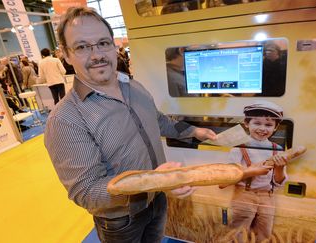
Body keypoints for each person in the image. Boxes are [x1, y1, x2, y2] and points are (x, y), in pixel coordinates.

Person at [44, 7, 217, 243]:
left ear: (114, 46)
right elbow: (86, 191)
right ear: (65, 54)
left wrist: (194, 131)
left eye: (103, 43)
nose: (96, 55)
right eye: (82, 47)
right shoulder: (65, 120)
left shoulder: (133, 87)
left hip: (157, 200)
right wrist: (156, 180)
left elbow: (158, 120)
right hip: (121, 221)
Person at [227, 101, 289, 241]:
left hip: (267, 196)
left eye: (268, 125)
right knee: (239, 230)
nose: (262, 128)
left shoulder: (277, 150)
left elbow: (279, 182)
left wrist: (279, 168)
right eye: (257, 123)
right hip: (244, 194)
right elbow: (230, 175)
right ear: (246, 123)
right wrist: (253, 172)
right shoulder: (238, 148)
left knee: (265, 230)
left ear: (276, 127)